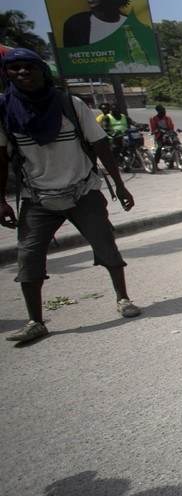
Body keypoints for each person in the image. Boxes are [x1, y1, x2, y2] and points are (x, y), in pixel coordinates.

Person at [0, 48, 140, 343]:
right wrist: (1, 201)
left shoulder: (70, 105)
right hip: (37, 197)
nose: (23, 73)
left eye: (29, 67)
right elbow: (2, 158)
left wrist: (119, 184)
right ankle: (35, 321)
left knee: (105, 243)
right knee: (28, 256)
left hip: (82, 190)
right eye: (15, 68)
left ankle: (123, 298)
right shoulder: (5, 111)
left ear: (42, 72)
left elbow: (101, 146)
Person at [149, 104, 175, 168]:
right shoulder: (153, 119)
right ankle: (155, 164)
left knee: (176, 144)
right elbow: (153, 129)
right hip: (159, 135)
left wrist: (171, 131)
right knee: (160, 147)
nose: (164, 111)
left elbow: (171, 126)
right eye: (162, 110)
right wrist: (158, 131)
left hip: (168, 134)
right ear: (158, 111)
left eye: (164, 110)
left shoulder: (168, 118)